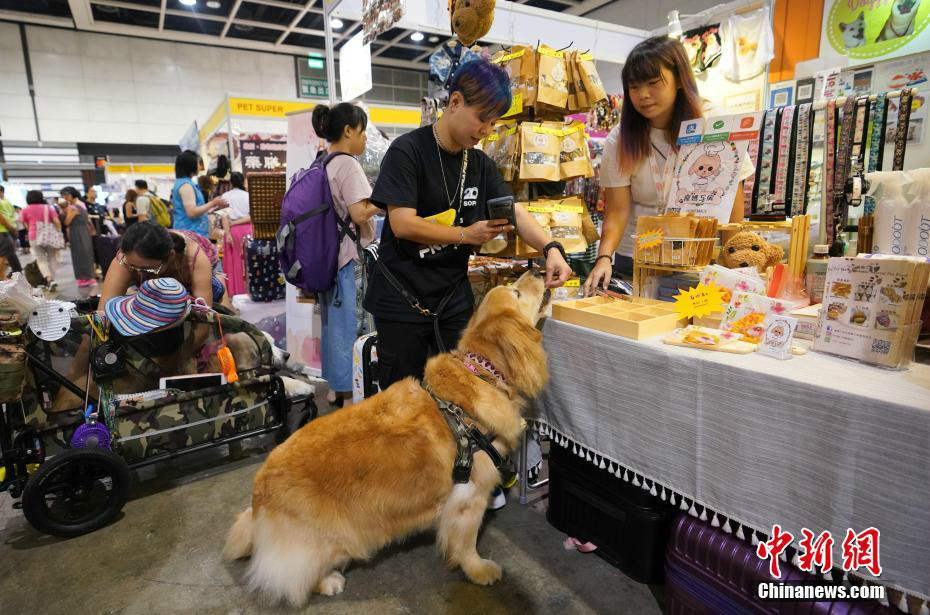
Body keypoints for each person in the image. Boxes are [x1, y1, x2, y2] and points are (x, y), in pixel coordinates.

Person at [364, 59, 572, 390]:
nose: (487, 131)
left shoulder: (478, 163)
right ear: (456, 102)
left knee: (458, 396)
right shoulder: (408, 151)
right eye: (482, 119)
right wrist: (465, 235)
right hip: (402, 301)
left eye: (493, 123)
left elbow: (514, 211)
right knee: (402, 406)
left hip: (452, 303)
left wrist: (551, 248)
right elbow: (402, 223)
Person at [584, 36, 755, 295]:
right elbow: (617, 210)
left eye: (653, 83)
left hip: (699, 258)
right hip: (638, 259)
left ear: (678, 79)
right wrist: (604, 258)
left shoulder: (713, 122)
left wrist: (733, 262)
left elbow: (733, 202)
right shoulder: (620, 138)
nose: (643, 95)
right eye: (634, 86)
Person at [311, 102, 381, 406]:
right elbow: (359, 211)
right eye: (362, 131)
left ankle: (337, 389)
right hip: (350, 258)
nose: (365, 138)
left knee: (333, 326)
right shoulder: (348, 164)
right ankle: (356, 394)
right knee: (355, 328)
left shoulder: (323, 162)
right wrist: (385, 200)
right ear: (348, 130)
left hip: (328, 257)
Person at [98, 220, 227, 310]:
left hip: (203, 262)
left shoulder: (195, 258)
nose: (139, 273)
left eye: (147, 270)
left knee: (223, 317)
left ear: (170, 257)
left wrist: (184, 350)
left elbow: (205, 318)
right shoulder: (125, 259)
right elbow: (103, 312)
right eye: (133, 268)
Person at [171, 149, 227, 237]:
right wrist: (213, 203)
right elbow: (192, 212)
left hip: (192, 232)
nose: (200, 166)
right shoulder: (186, 186)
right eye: (198, 163)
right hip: (190, 233)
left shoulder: (185, 183)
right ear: (190, 165)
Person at [19, 190, 61, 289]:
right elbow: (57, 222)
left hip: (34, 236)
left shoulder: (25, 210)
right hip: (50, 236)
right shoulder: (48, 208)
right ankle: (53, 280)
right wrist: (59, 233)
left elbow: (25, 225)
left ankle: (49, 280)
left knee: (41, 259)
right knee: (52, 257)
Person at [220, 172, 253, 298]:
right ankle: (248, 289)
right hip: (248, 230)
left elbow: (224, 217)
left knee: (234, 262)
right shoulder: (248, 195)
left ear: (231, 183)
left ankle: (235, 291)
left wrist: (228, 232)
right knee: (247, 261)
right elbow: (251, 217)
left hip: (232, 231)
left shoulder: (226, 196)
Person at [60, 186, 97, 287]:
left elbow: (67, 222)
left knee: (80, 255)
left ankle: (85, 278)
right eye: (63, 196)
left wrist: (64, 211)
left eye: (66, 195)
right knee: (87, 253)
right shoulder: (81, 204)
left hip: (76, 231)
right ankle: (90, 277)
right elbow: (88, 220)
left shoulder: (73, 207)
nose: (65, 197)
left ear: (72, 194)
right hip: (84, 230)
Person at [0, 185, 22, 275]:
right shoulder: (7, 201)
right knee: (5, 254)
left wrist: (11, 227)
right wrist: (13, 227)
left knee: (4, 254)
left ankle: (3, 277)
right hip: (6, 230)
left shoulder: (4, 202)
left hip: (5, 230)